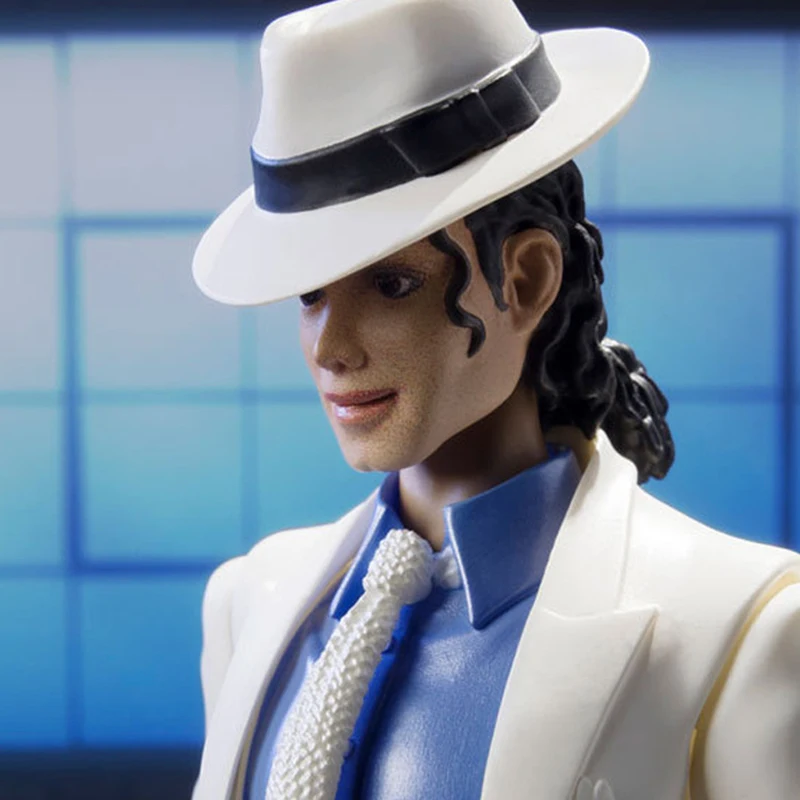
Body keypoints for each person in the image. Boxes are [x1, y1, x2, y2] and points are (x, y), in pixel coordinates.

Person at [190, 0, 800, 798]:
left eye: (393, 284)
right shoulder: (253, 607)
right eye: (310, 293)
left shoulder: (741, 630)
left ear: (527, 279)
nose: (331, 347)